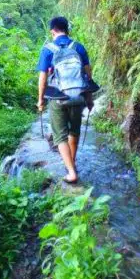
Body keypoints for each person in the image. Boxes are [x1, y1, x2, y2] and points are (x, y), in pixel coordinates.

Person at [36, 16, 94, 183]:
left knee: (60, 136)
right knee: (74, 131)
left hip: (58, 98)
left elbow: (42, 79)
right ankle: (72, 164)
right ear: (67, 29)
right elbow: (88, 75)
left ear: (52, 31)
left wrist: (40, 100)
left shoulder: (48, 49)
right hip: (78, 96)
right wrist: (89, 99)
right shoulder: (78, 47)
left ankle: (71, 172)